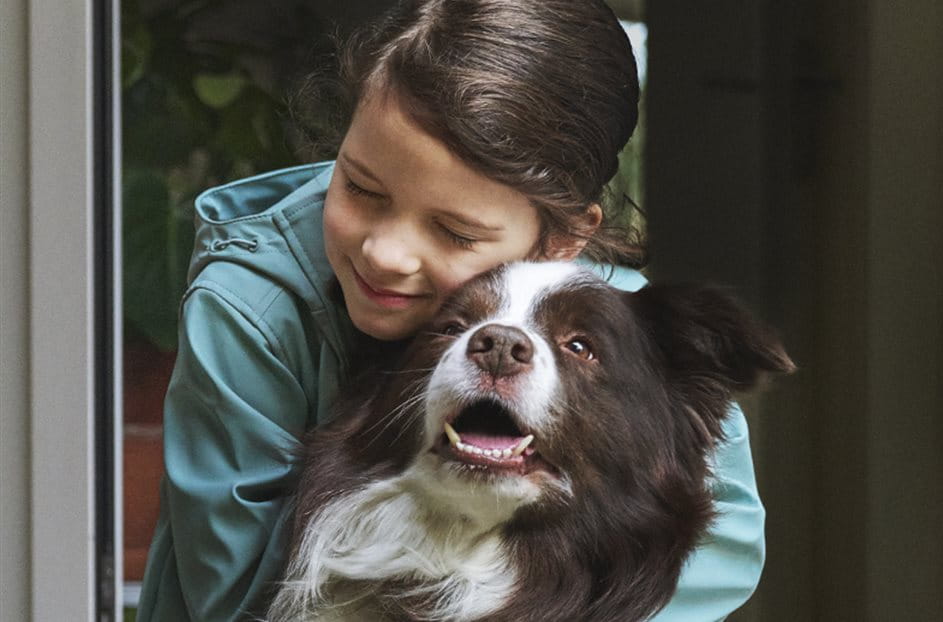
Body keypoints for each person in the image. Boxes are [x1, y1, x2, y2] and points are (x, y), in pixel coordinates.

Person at [137, 1, 766, 620]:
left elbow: (721, 545)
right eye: (359, 187)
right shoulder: (252, 308)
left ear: (563, 239)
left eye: (455, 232)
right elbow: (236, 594)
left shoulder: (629, 333)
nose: (384, 253)